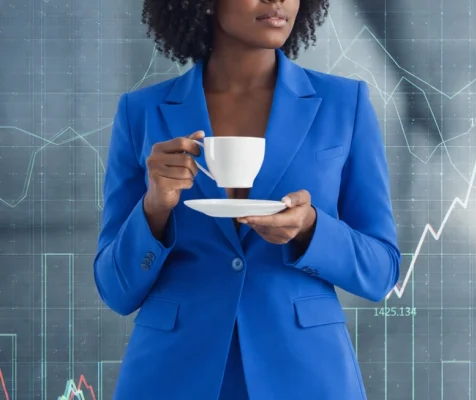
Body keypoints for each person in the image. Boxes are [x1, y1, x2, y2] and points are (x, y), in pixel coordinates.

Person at [92, 0, 401, 398]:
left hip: (306, 374)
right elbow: (116, 290)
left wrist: (310, 230)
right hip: (171, 374)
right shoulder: (142, 113)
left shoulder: (346, 104)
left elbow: (382, 271)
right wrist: (154, 208)